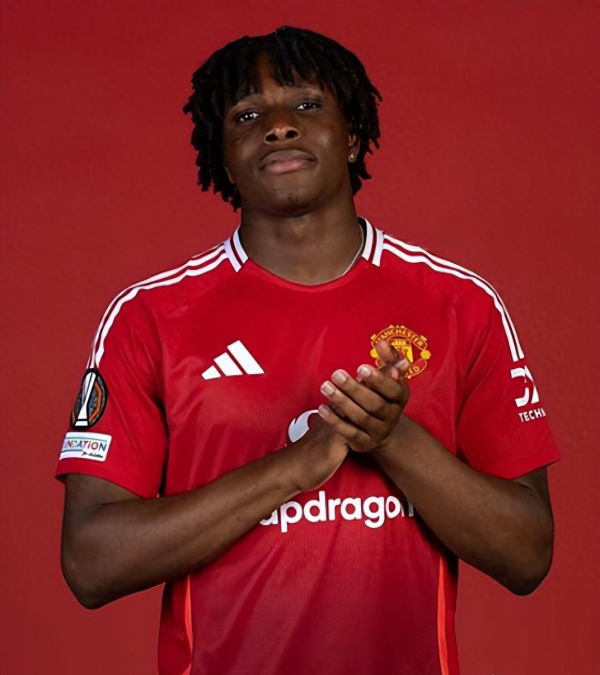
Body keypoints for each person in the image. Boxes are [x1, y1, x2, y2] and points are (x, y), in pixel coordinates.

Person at [57, 26, 560, 675]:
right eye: (247, 116)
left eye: (306, 105)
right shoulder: (150, 318)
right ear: (223, 156)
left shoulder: (460, 305)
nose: (278, 127)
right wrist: (293, 468)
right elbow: (91, 563)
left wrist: (392, 439)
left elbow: (528, 555)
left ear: (351, 135)